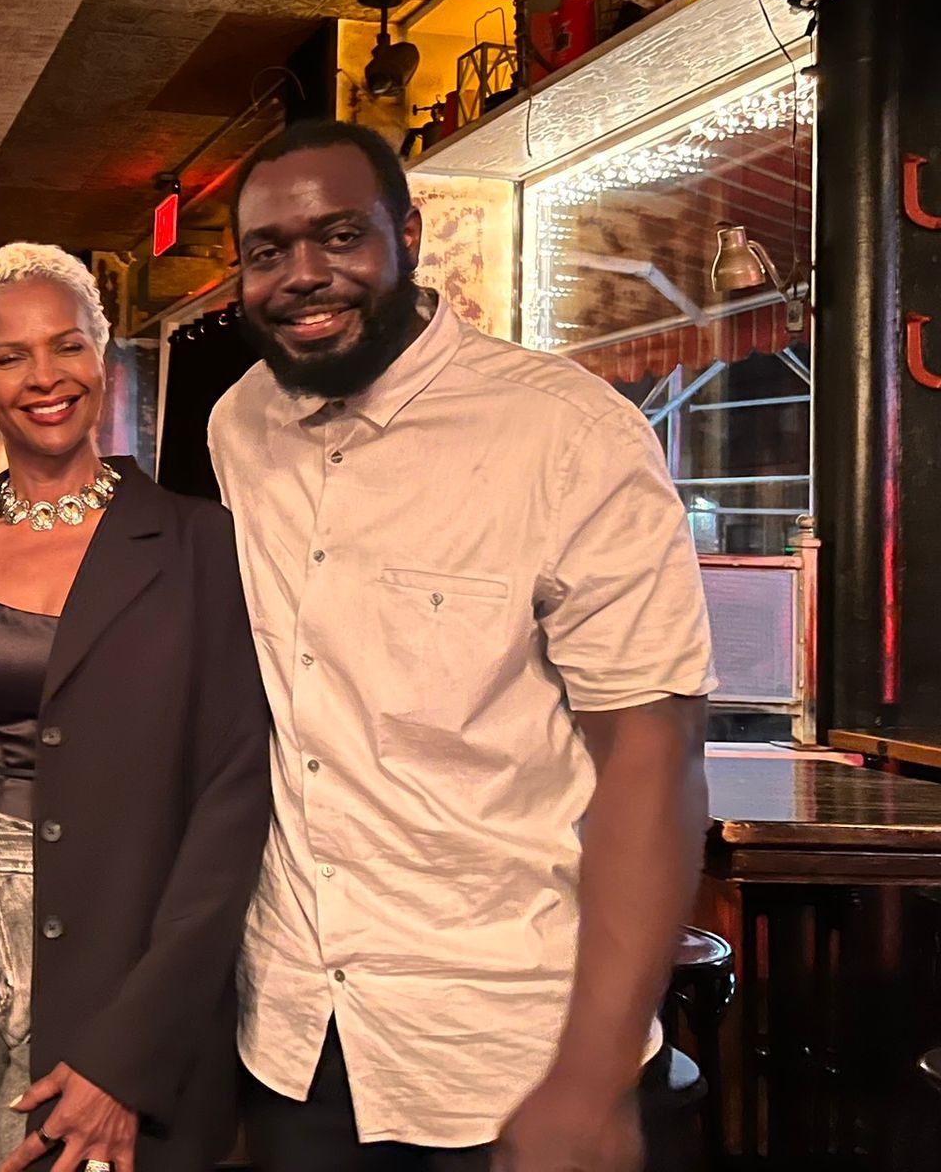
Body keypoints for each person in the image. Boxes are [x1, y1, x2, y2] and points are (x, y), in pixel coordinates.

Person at [207, 120, 714, 1172]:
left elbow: (651, 760)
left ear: (409, 234)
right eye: (268, 251)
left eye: (339, 236)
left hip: (508, 1053)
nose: (304, 276)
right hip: (296, 1036)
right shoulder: (239, 424)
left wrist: (592, 1073)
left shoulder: (568, 435)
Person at [0, 244, 271, 1172]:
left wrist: (134, 1050)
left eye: (67, 346)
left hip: (109, 937)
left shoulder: (201, 546)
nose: (45, 378)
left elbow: (234, 805)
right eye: (11, 357)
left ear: (104, 352)